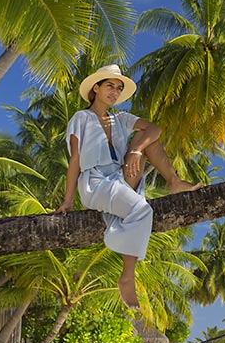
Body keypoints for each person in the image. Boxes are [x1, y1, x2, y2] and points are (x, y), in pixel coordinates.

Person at [56, 64, 203, 309]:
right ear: (96, 87)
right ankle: (127, 276)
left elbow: (156, 128)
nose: (115, 92)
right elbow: (75, 160)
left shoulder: (120, 118)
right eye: (110, 86)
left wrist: (135, 150)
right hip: (95, 182)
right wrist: (68, 200)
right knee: (142, 209)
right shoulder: (80, 118)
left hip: (121, 176)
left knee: (147, 139)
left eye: (119, 88)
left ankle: (174, 182)